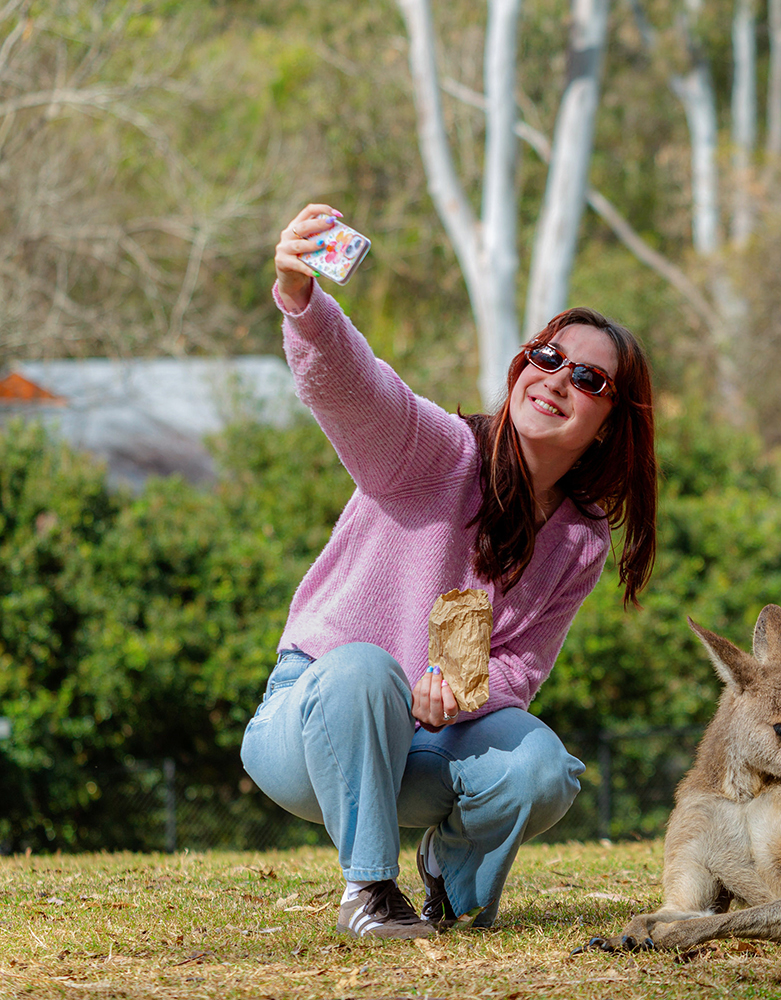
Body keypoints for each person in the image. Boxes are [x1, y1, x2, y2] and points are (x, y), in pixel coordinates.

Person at [241, 204, 657, 939]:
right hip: (311, 725)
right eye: (547, 356)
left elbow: (518, 671)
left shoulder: (580, 540)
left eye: (588, 377)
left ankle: (450, 880)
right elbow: (355, 387)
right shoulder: (438, 451)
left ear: (610, 423)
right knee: (364, 670)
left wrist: (458, 694)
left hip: (427, 749)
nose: (556, 379)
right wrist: (302, 299)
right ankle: (369, 894)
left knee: (542, 766)